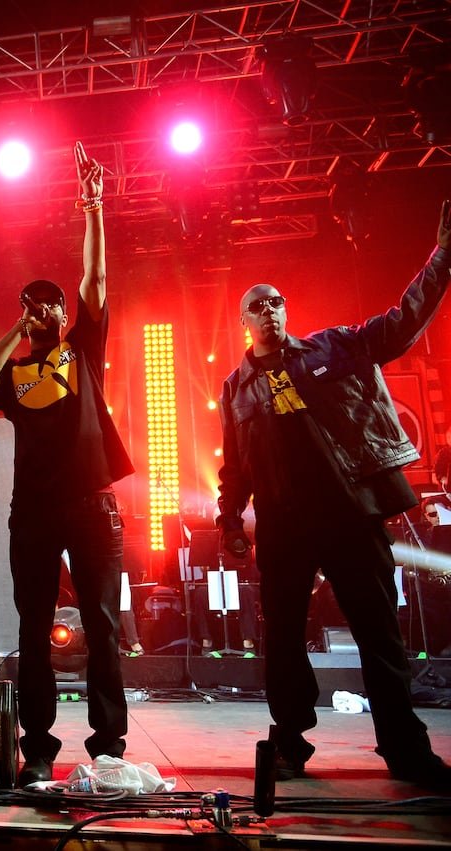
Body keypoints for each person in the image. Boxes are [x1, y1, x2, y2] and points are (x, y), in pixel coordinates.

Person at [216, 198, 451, 789]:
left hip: (349, 515)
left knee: (379, 632)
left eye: (275, 302)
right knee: (283, 640)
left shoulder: (332, 347)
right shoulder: (236, 387)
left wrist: (443, 256)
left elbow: (400, 324)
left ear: (285, 312)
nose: (268, 311)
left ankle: (404, 747)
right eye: (256, 306)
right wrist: (227, 522)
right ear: (242, 320)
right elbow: (234, 466)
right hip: (282, 526)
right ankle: (290, 741)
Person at [0, 141, 134, 783]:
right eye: (34, 304)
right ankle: (37, 742)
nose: (46, 311)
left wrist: (93, 207)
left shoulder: (83, 347)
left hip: (91, 501)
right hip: (32, 510)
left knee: (101, 621)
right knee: (33, 626)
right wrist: (17, 327)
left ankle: (109, 741)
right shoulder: (18, 371)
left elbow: (95, 280)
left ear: (65, 315)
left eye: (51, 305)